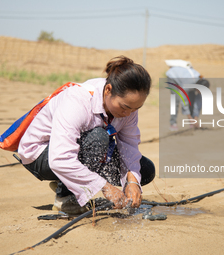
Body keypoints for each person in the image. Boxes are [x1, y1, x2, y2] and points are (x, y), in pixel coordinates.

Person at [17, 56, 155, 214]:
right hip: (42, 155)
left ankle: (70, 180)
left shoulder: (129, 109)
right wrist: (105, 187)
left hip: (84, 149)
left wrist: (132, 182)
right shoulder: (77, 101)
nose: (128, 113)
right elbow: (59, 158)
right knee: (98, 138)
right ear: (108, 90)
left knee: (145, 170)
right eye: (124, 107)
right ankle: (66, 198)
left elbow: (129, 147)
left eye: (136, 108)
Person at [165, 59, 210, 131]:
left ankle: (192, 123)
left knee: (192, 99)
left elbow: (198, 102)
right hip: (172, 76)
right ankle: (173, 123)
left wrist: (195, 117)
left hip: (186, 81)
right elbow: (183, 101)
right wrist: (190, 117)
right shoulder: (189, 83)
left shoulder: (202, 82)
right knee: (175, 100)